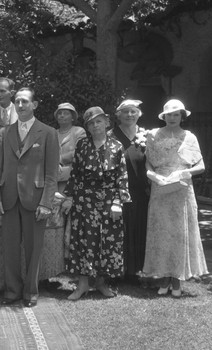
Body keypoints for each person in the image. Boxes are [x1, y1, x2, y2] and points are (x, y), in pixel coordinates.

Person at [0, 87, 59, 308]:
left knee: (33, 248)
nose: (20, 106)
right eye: (18, 102)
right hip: (9, 198)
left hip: (35, 199)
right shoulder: (4, 133)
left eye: (25, 102)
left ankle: (30, 291)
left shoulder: (48, 133)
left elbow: (51, 173)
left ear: (34, 104)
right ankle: (12, 291)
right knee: (10, 248)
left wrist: (46, 202)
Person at [61, 106, 130, 300]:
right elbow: (75, 174)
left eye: (98, 121)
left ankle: (101, 283)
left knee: (106, 243)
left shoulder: (117, 146)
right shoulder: (82, 145)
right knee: (84, 241)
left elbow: (122, 177)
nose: (95, 125)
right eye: (91, 123)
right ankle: (82, 285)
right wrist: (69, 197)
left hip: (109, 201)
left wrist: (118, 202)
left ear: (107, 122)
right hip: (85, 200)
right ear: (87, 127)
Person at [142, 99, 208, 297]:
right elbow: (148, 163)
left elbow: (200, 166)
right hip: (160, 186)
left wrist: (183, 173)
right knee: (161, 232)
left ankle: (177, 280)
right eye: (169, 114)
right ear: (164, 116)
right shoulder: (153, 135)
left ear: (182, 117)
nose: (172, 118)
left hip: (181, 189)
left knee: (179, 234)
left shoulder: (190, 137)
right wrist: (152, 175)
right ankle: (163, 278)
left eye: (176, 114)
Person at [108, 99, 150, 282]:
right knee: (119, 230)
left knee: (138, 229)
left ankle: (133, 272)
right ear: (118, 115)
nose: (130, 115)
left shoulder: (146, 136)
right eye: (125, 111)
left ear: (139, 114)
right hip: (117, 191)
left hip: (141, 193)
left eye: (133, 111)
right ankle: (116, 271)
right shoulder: (111, 135)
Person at [55, 103, 86, 192]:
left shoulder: (79, 131)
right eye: (59, 113)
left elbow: (79, 152)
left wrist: (59, 159)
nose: (62, 115)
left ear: (72, 117)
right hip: (54, 178)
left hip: (73, 178)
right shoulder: (52, 133)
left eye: (66, 113)